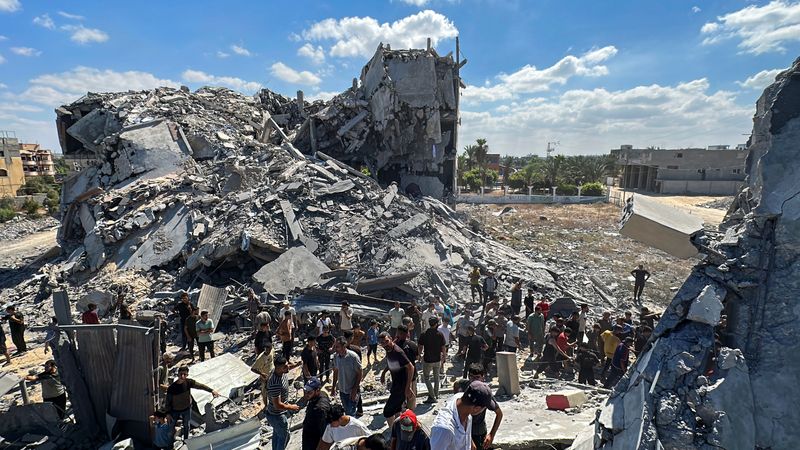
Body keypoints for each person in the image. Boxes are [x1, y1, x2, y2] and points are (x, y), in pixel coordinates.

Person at [429, 381, 494, 450]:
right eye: (484, 408)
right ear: (476, 409)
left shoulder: (462, 401)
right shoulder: (444, 430)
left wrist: (470, 443)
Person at [453, 365, 504, 450]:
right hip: (462, 429)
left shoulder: (483, 393)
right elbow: (456, 384)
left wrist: (491, 435)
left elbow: (499, 414)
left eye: (477, 377)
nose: (474, 380)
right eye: (471, 377)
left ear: (483, 377)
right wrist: (456, 394)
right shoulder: (466, 385)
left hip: (478, 431)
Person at [166, 366, 219, 440]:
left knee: (186, 426)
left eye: (185, 374)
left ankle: (186, 441)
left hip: (187, 409)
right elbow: (168, 401)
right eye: (181, 374)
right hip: (175, 411)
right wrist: (168, 413)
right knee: (171, 427)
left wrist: (212, 390)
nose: (182, 376)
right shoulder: (172, 388)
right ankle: (169, 444)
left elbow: (200, 386)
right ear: (178, 374)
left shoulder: (189, 382)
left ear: (187, 375)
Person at [379, 332, 415, 429]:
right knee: (397, 409)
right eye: (382, 343)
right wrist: (383, 373)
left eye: (387, 341)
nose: (385, 344)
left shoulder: (398, 352)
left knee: (387, 411)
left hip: (401, 386)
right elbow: (391, 362)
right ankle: (399, 430)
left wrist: (407, 388)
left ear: (390, 339)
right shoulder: (389, 350)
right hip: (396, 384)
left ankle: (392, 431)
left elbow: (411, 367)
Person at [266, 356, 301, 450]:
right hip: (277, 415)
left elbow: (288, 366)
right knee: (284, 437)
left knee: (277, 434)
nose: (288, 367)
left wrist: (297, 365)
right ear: (278, 368)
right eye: (285, 367)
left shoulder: (279, 371)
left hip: (276, 414)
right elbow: (277, 405)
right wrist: (291, 407)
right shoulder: (275, 383)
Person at [332, 336, 363, 416]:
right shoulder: (336, 357)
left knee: (350, 413)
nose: (335, 349)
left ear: (344, 346)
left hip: (352, 391)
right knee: (347, 411)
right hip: (342, 390)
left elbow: (360, 373)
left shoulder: (353, 357)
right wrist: (333, 387)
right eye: (335, 346)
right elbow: (336, 371)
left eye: (337, 347)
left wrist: (354, 390)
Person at [419, 317, 446, 403]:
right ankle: (436, 395)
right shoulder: (440, 334)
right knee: (436, 377)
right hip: (437, 359)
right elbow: (443, 347)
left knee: (426, 378)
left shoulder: (424, 334)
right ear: (436, 324)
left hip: (427, 360)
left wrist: (420, 354)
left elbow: (420, 346)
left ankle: (432, 396)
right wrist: (444, 356)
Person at [302, 377, 331, 450]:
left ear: (317, 391)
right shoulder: (316, 396)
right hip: (308, 436)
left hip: (314, 441)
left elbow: (324, 434)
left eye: (309, 392)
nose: (306, 394)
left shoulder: (320, 409)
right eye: (305, 391)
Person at [394, 325, 419, 409]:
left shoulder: (395, 346)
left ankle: (401, 418)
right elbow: (417, 357)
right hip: (412, 376)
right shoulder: (413, 344)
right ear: (407, 333)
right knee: (411, 399)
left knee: (400, 401)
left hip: (400, 377)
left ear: (399, 333)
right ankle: (410, 417)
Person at [250, 341, 275, 407]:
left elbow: (272, 359)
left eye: (270, 349)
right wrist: (261, 373)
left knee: (273, 389)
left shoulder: (272, 350)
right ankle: (266, 406)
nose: (269, 351)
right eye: (267, 349)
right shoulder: (260, 358)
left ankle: (274, 402)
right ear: (265, 349)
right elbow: (253, 369)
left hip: (272, 374)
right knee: (264, 393)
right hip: (265, 377)